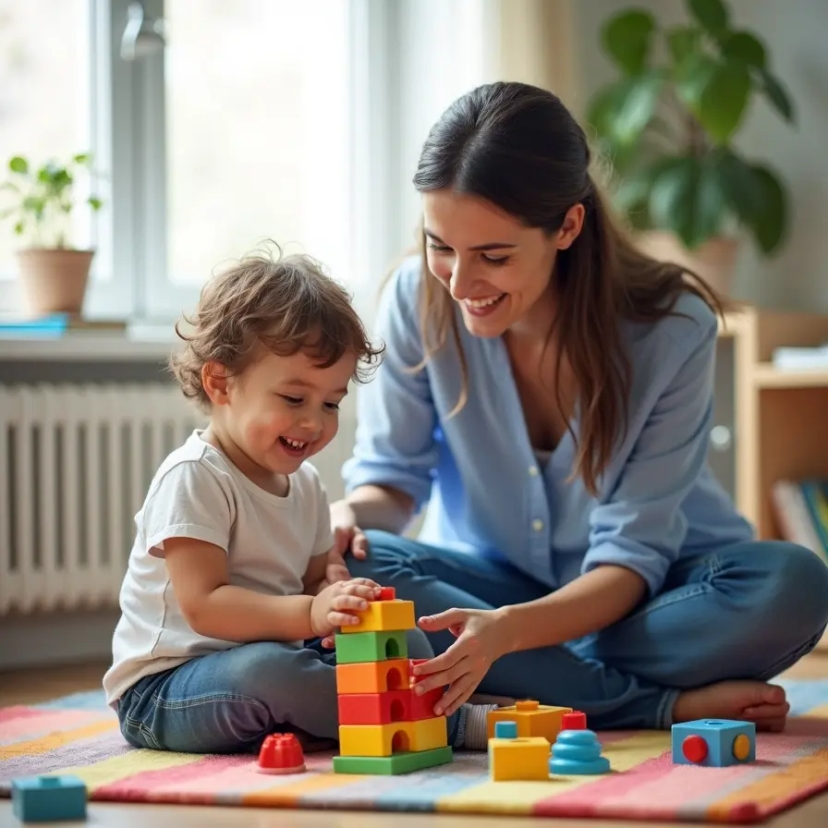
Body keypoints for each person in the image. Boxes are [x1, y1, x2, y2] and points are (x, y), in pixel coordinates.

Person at [329, 81, 828, 732]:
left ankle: (534, 677)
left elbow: (630, 560)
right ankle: (651, 703)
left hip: (645, 595)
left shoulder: (671, 327)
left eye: (494, 256)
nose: (460, 283)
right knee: (360, 568)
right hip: (490, 586)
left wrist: (508, 635)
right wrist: (344, 517)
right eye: (441, 245)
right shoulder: (414, 298)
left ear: (567, 225)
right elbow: (392, 480)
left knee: (791, 586)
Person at [103, 250, 390, 753]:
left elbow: (314, 577)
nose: (315, 423)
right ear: (221, 384)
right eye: (294, 399)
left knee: (403, 643)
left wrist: (338, 591)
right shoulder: (195, 476)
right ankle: (437, 722)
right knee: (272, 673)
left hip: (265, 661)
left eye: (331, 403)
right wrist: (311, 614)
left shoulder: (306, 486)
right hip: (167, 689)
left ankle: (349, 712)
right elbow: (206, 607)